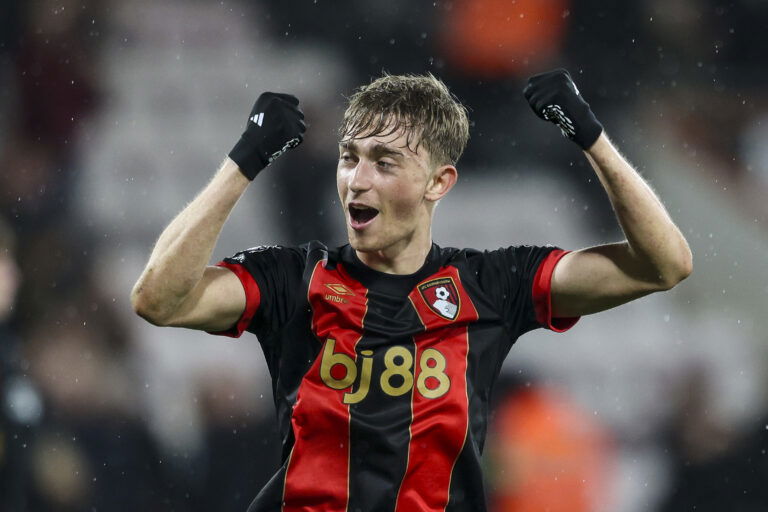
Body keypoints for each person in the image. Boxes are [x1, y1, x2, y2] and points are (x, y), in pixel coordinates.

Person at [131, 69, 692, 511]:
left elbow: (663, 265)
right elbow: (158, 299)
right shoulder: (294, 280)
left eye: (384, 161)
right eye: (349, 157)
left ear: (439, 182)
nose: (358, 178)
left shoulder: (493, 285)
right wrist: (243, 162)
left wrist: (592, 137)